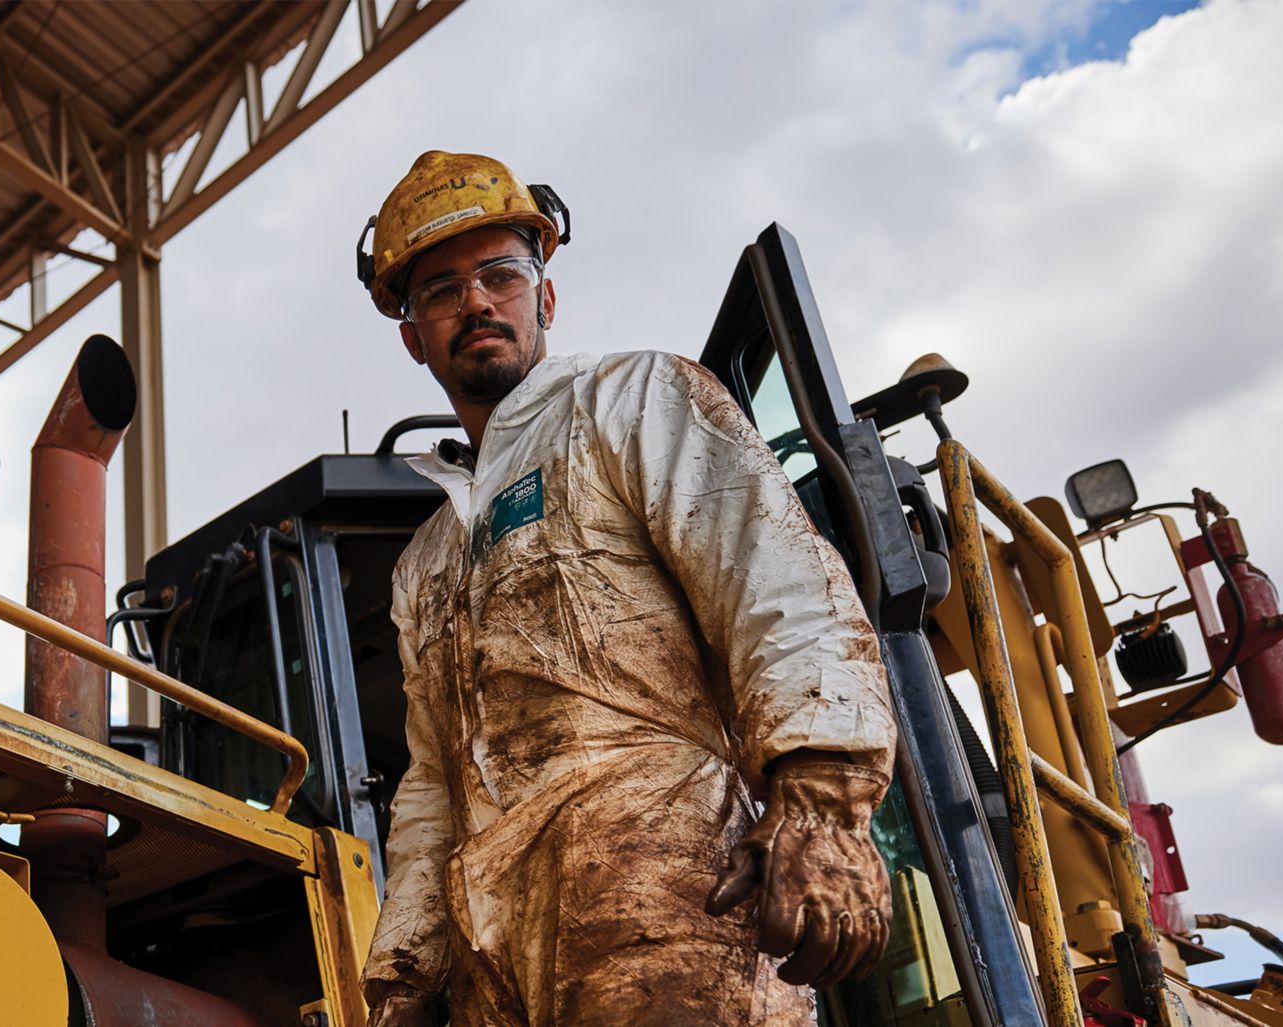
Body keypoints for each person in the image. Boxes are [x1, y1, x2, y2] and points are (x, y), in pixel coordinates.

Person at [356, 151, 899, 1026]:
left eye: (501, 274)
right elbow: (433, 782)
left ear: (547, 297)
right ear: (414, 335)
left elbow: (772, 580)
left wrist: (824, 797)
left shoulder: (634, 400)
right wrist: (409, 969)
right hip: (496, 948)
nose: (478, 304)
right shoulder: (428, 558)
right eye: (441, 291)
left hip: (666, 892)